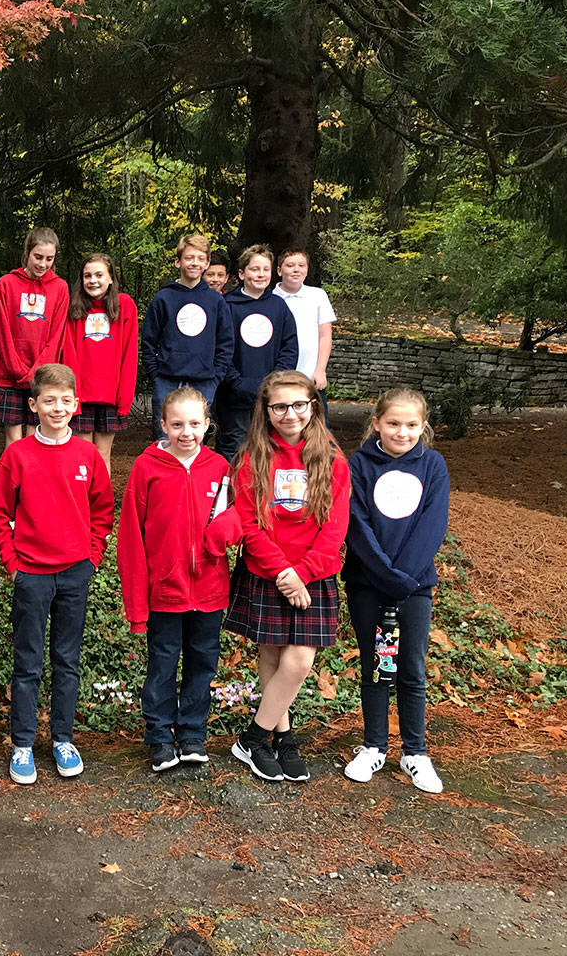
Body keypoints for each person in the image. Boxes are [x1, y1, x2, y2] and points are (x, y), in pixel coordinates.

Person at [0, 363, 114, 784]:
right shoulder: (17, 455)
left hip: (75, 572)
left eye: (65, 400)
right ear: (33, 405)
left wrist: (92, 558)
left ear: (76, 405)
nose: (57, 408)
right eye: (48, 400)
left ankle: (62, 738)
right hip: (32, 576)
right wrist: (14, 566)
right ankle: (22, 743)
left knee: (67, 660)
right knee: (27, 663)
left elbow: (102, 513)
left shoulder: (88, 455)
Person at [222, 370, 350, 783]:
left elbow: (335, 526)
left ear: (313, 406)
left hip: (313, 575)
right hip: (267, 572)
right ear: (266, 410)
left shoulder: (332, 458)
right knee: (273, 657)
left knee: (298, 661)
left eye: (299, 404)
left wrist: (303, 574)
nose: (290, 414)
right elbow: (248, 522)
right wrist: (283, 572)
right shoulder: (252, 457)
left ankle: (254, 739)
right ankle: (284, 736)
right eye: (279, 406)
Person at [117, 388, 238, 772]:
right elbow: (132, 540)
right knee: (162, 665)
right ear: (163, 424)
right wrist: (136, 605)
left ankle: (191, 733)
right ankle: (159, 735)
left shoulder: (220, 467)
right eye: (177, 424)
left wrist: (224, 535)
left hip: (209, 589)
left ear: (207, 424)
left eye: (195, 424)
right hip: (163, 592)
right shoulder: (146, 467)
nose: (186, 432)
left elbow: (238, 515)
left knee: (203, 663)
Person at [343, 388, 449, 794]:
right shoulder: (359, 465)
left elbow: (432, 524)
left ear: (423, 427)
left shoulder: (433, 465)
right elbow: (356, 523)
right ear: (376, 424)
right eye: (393, 423)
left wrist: (403, 578)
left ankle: (415, 752)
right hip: (368, 584)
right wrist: (384, 575)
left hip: (415, 586)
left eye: (410, 425)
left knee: (411, 667)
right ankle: (373, 745)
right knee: (375, 664)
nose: (401, 432)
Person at [140, 234, 234, 438]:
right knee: (165, 440)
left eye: (201, 258)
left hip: (204, 381)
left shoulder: (216, 301)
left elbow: (226, 344)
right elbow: (148, 341)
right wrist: (156, 376)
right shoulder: (164, 298)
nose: (195, 263)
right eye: (189, 258)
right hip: (166, 380)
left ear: (207, 263)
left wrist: (215, 378)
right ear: (178, 261)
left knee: (194, 440)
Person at [0, 227, 69, 449]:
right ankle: (14, 484)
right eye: (38, 257)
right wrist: (18, 369)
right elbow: (1, 331)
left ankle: (34, 484)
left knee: (36, 439)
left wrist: (36, 373)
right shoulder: (7, 283)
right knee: (13, 442)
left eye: (49, 259)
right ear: (27, 253)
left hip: (41, 376)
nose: (43, 264)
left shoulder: (60, 287)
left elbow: (57, 335)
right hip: (9, 375)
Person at [216, 245, 299, 461]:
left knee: (268, 448)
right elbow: (220, 349)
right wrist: (236, 382)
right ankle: (231, 495)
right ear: (242, 274)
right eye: (254, 269)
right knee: (235, 447)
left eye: (266, 269)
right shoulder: (227, 306)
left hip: (270, 396)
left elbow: (289, 348)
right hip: (234, 395)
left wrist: (274, 382)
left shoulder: (279, 307)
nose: (261, 275)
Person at [60, 252, 139, 472]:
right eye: (87, 276)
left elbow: (129, 354)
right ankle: (81, 504)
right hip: (81, 395)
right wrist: (72, 395)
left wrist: (124, 399)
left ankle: (101, 505)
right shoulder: (74, 307)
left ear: (111, 278)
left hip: (110, 396)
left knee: (103, 455)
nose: (93, 280)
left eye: (98, 275)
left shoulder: (125, 305)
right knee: (82, 455)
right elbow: (69, 354)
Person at [272, 249, 336, 416]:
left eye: (301, 265)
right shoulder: (271, 298)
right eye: (290, 265)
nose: (296, 269)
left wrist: (320, 370)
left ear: (307, 270)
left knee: (319, 425)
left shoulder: (317, 296)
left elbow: (325, 336)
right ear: (279, 270)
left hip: (311, 375)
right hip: (280, 377)